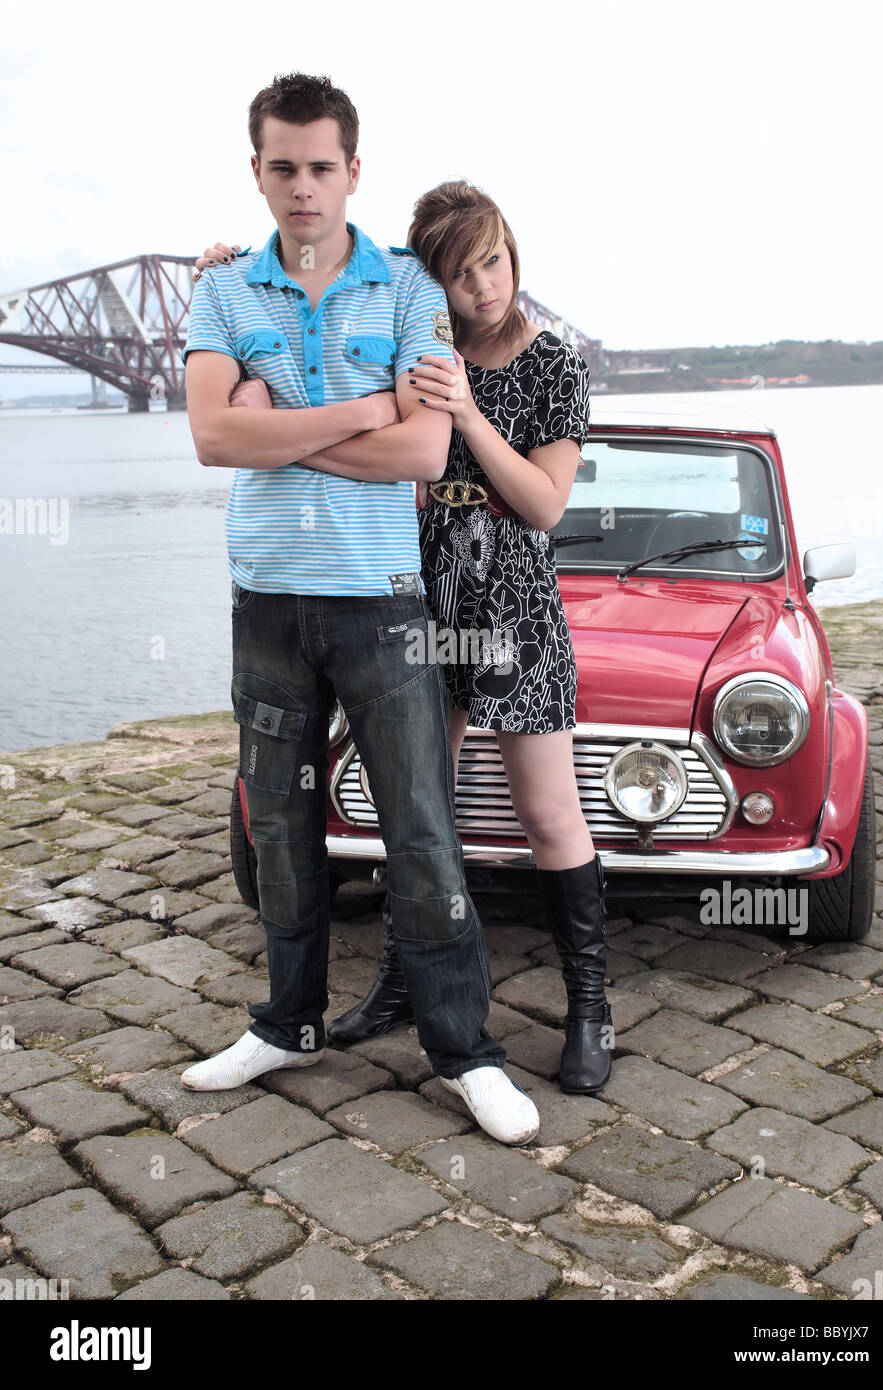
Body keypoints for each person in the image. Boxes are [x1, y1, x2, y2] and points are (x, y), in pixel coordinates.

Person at [181, 72, 539, 1147]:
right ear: (258, 170)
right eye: (282, 166)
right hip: (267, 600)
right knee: (282, 825)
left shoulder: (405, 291)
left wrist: (278, 413)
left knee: (422, 828)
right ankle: (285, 1024)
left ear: (351, 171)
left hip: (381, 603)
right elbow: (211, 438)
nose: (302, 187)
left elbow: (424, 453)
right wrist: (360, 413)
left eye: (320, 167)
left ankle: (465, 1049)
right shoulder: (223, 291)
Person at [199, 179, 613, 1094]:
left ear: (513, 254)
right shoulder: (412, 337)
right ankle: (400, 981)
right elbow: (320, 394)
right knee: (418, 810)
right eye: (461, 273)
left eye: (493, 262)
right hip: (420, 601)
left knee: (548, 813)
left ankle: (591, 1006)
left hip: (510, 612)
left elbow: (541, 506)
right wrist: (225, 271)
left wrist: (464, 411)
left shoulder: (552, 363)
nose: (483, 288)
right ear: (435, 279)